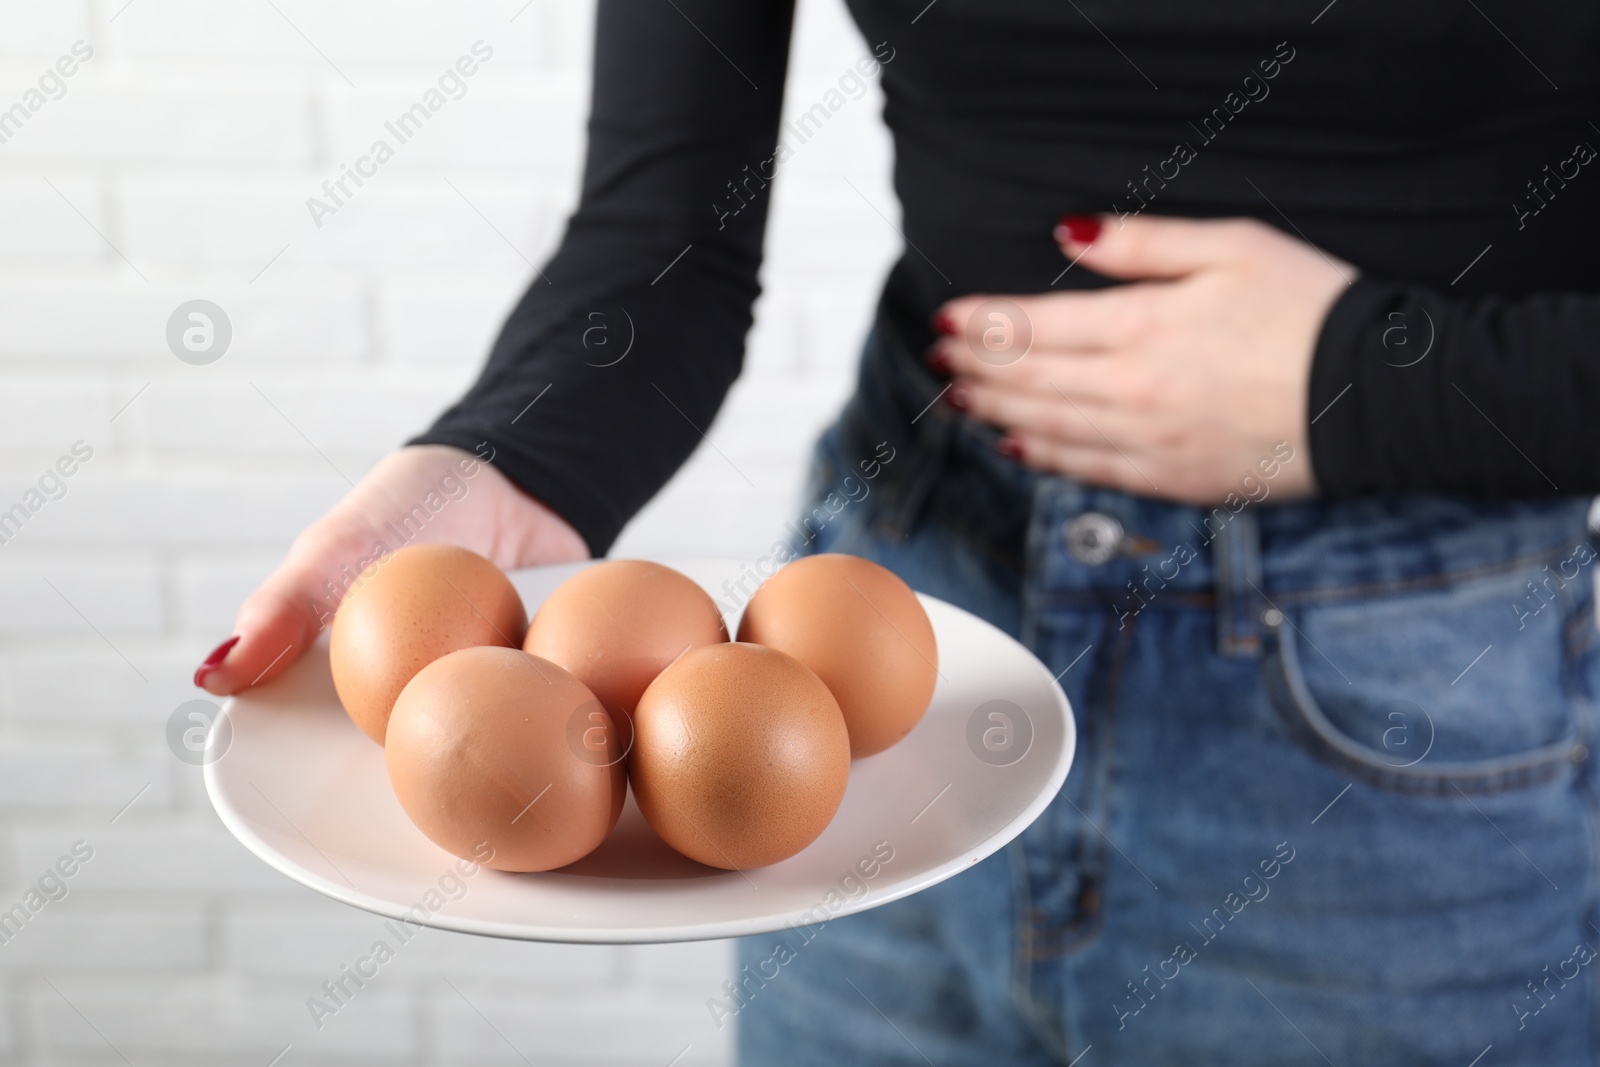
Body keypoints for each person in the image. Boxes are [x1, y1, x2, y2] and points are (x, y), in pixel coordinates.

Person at [197, 2, 1600, 1062]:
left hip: (1408, 704)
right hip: (902, 637)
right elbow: (664, 227)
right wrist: (496, 466)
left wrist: (1374, 379)